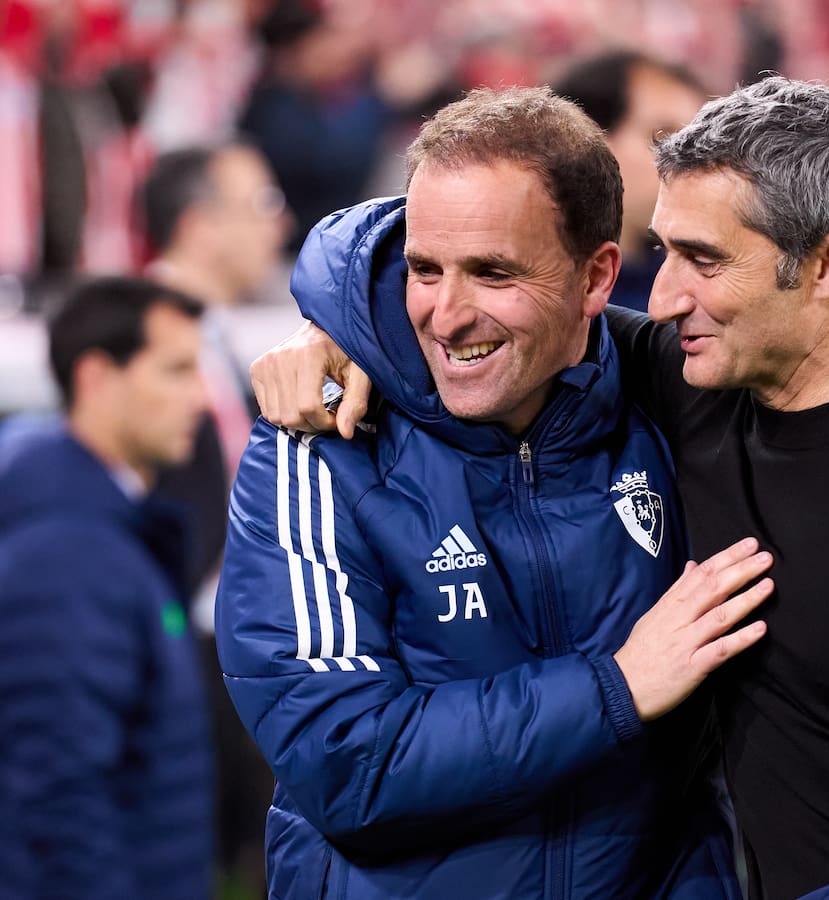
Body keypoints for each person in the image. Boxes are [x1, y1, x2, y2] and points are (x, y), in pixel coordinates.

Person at [254, 78, 829, 899]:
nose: (667, 297)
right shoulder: (688, 388)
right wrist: (337, 331)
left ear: (828, 263)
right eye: (664, 252)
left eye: (704, 259)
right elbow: (498, 287)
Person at [215, 86, 774, 898]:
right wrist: (617, 687)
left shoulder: (674, 404)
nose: (446, 315)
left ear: (596, 277)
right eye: (424, 269)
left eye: (492, 272)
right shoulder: (319, 441)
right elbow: (344, 762)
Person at [0, 276, 213, 899]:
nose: (200, 398)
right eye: (175, 371)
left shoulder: (106, 531)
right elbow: (58, 794)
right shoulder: (67, 554)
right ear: (96, 378)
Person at [141, 140, 292, 900]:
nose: (280, 223)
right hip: (184, 642)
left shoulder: (216, 337)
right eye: (262, 204)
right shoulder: (138, 336)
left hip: (230, 635)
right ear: (199, 226)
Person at [552, 50, 708, 312]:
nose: (695, 161)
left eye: (700, 142)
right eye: (664, 137)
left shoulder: (699, 284)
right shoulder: (539, 295)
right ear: (585, 143)